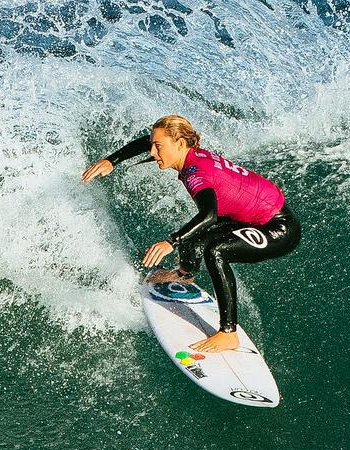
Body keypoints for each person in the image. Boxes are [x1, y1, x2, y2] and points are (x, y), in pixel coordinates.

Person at [81, 115, 301, 353]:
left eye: (158, 147)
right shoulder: (190, 153)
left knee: (216, 251)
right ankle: (184, 275)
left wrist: (170, 242)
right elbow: (149, 141)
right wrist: (112, 161)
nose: (153, 152)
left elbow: (209, 215)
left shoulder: (196, 172)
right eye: (154, 145)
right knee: (193, 236)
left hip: (277, 227)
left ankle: (228, 333)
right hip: (252, 216)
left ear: (179, 143)